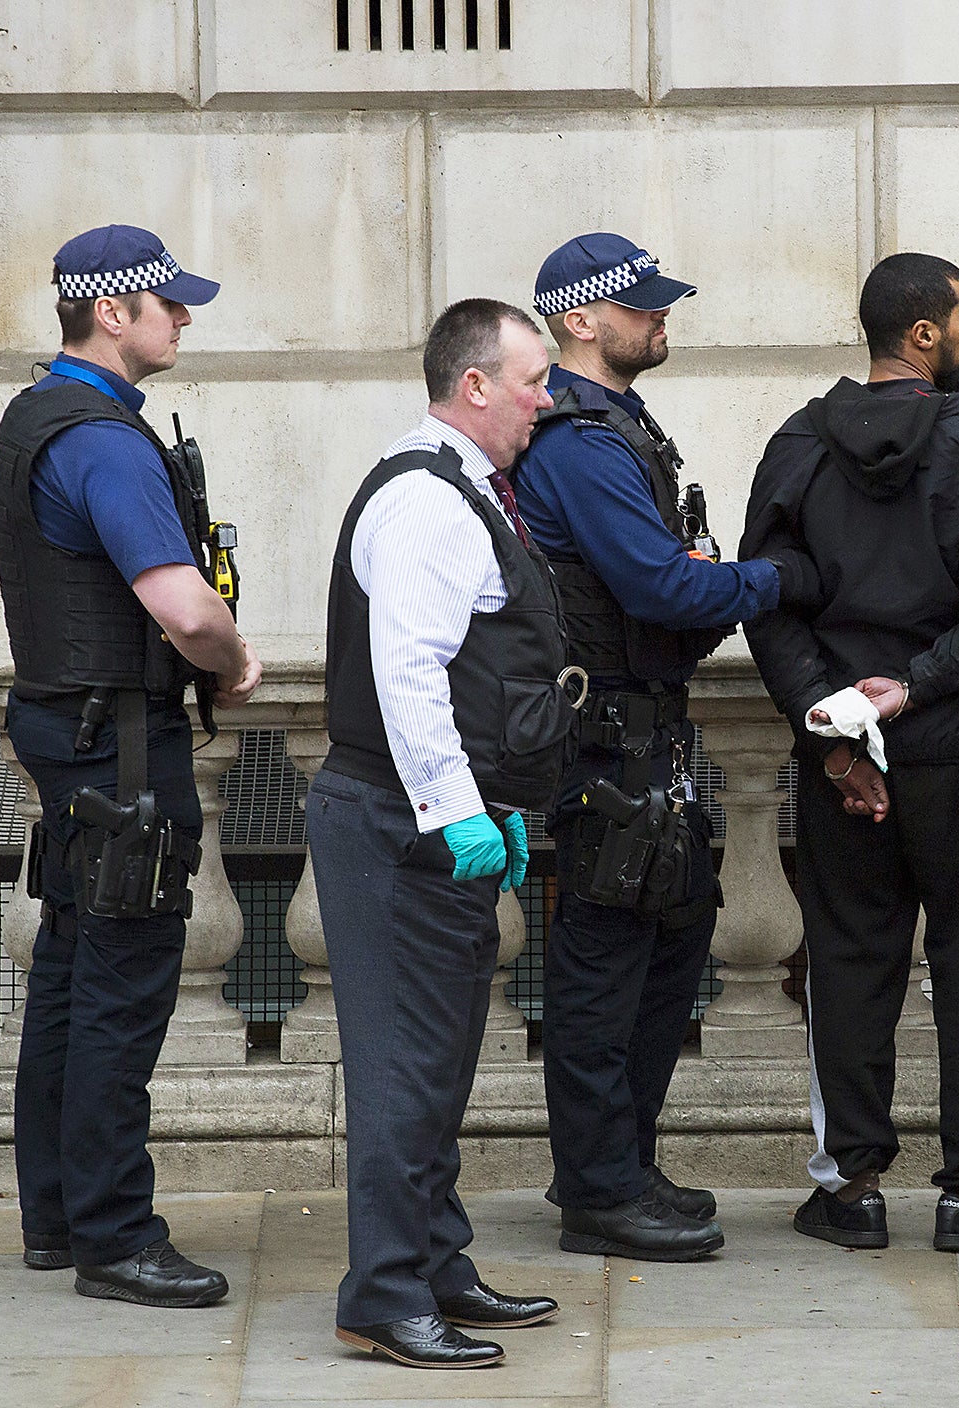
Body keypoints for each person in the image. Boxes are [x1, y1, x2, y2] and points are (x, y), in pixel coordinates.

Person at [741, 252, 959, 1253]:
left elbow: (768, 606)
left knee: (845, 962)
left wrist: (829, 723)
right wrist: (920, 684)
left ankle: (849, 1188)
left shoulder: (795, 449)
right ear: (922, 333)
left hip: (842, 764)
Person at [512, 233, 816, 1263]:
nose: (659, 317)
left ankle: (624, 1166)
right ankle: (598, 1191)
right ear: (578, 320)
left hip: (647, 735)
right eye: (639, 306)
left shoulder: (620, 427)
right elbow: (660, 589)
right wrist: (776, 580)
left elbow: (666, 596)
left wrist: (711, 584)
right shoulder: (583, 440)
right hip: (604, 746)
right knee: (604, 975)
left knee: (668, 949)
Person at [0, 225, 261, 1308]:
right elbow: (181, 604)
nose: (182, 319)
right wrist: (232, 658)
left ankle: (56, 1217)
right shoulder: (102, 438)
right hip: (122, 744)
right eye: (170, 304)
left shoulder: (27, 421)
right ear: (111, 312)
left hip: (64, 726)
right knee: (121, 988)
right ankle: (114, 1236)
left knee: (68, 974)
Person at [307, 298, 569, 1369]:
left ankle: (435, 1262)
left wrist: (484, 807)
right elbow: (408, 674)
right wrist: (457, 811)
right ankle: (383, 1292)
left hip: (427, 819)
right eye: (532, 379)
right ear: (474, 386)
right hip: (394, 822)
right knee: (402, 1066)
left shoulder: (461, 487)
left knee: (443, 1056)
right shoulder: (423, 501)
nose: (545, 399)